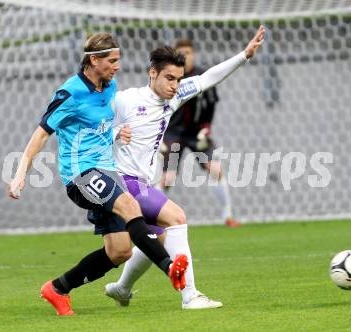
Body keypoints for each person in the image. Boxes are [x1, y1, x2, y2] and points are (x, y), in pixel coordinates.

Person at [7, 32, 188, 316]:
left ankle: (57, 288)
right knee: (130, 205)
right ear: (94, 60)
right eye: (112, 61)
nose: (117, 67)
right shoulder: (70, 93)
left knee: (119, 251)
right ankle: (169, 268)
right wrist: (20, 174)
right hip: (81, 174)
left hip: (108, 172)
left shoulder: (110, 86)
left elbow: (102, 125)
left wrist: (117, 132)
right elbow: (41, 135)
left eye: (118, 60)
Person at [106, 26, 265, 309]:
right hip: (122, 182)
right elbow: (94, 125)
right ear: (151, 73)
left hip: (141, 181)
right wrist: (115, 132)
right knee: (177, 217)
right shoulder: (125, 100)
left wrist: (244, 55)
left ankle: (121, 288)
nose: (174, 85)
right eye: (169, 78)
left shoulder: (175, 96)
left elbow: (207, 78)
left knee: (159, 237)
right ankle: (190, 296)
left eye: (178, 80)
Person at [160, 38, 241, 228]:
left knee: (215, 169)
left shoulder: (202, 77)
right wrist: (160, 135)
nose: (185, 57)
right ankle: (155, 217)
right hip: (173, 135)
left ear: (193, 54)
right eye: (181, 54)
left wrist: (207, 128)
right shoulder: (168, 79)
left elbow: (211, 105)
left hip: (197, 134)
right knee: (168, 178)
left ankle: (227, 215)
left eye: (188, 53)